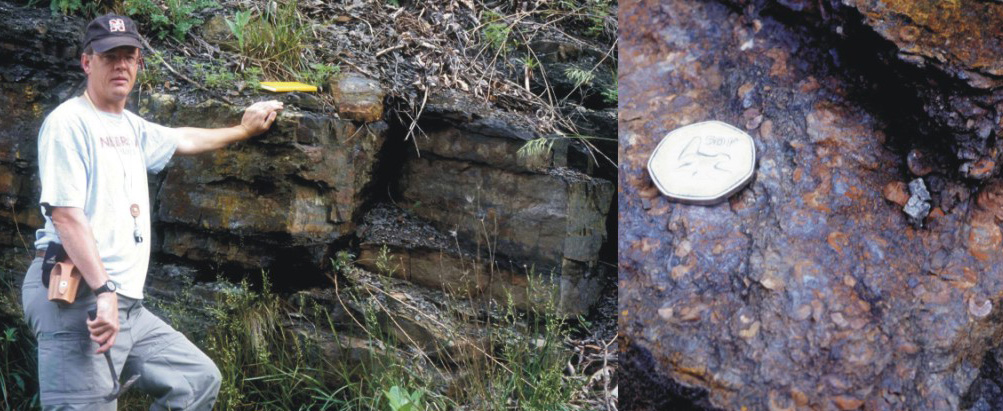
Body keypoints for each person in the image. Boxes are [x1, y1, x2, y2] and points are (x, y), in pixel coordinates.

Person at [20, 14, 283, 410]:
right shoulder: (68, 123)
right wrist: (105, 292)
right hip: (80, 300)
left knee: (195, 380)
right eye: (110, 56)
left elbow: (182, 139)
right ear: (87, 62)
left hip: (125, 304)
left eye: (129, 56)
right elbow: (66, 216)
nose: (121, 65)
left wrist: (243, 130)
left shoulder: (129, 127)